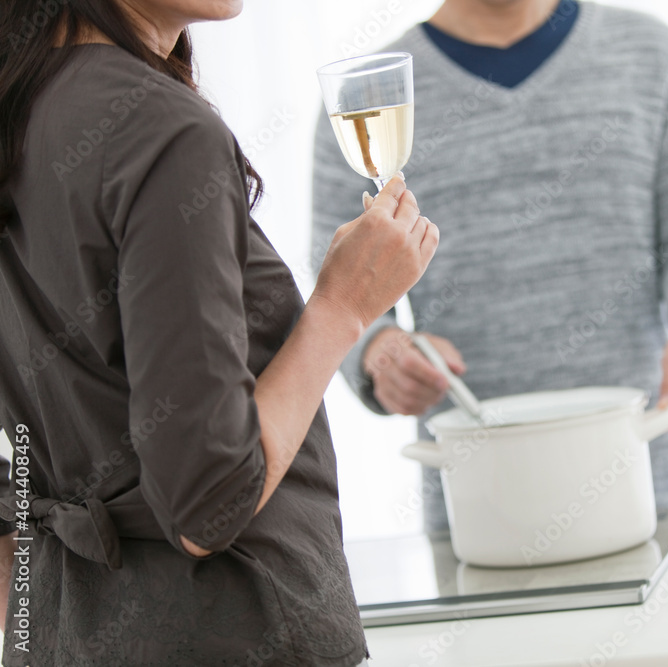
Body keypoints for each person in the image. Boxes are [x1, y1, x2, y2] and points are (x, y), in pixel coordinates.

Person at [0, 1, 438, 665]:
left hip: (62, 631)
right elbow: (207, 506)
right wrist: (343, 306)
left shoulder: (23, 102)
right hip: (234, 632)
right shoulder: (161, 128)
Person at [312, 0, 668, 535]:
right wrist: (378, 350)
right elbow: (333, 276)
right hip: (482, 515)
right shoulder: (367, 97)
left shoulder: (649, 52)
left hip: (656, 491)